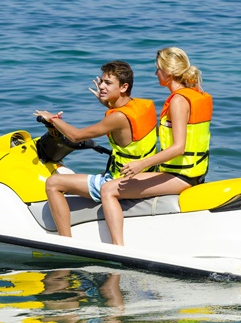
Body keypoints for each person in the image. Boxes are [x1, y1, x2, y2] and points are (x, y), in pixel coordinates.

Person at [100, 47, 213, 245]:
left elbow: (178, 147)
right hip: (193, 172)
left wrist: (142, 164)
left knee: (108, 189)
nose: (155, 74)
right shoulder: (195, 94)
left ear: (168, 73)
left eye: (158, 70)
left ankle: (118, 248)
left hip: (180, 176)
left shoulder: (178, 101)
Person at [33, 60, 157, 241]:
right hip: (143, 174)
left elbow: (76, 136)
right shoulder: (141, 106)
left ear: (123, 87)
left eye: (108, 83)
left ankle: (65, 241)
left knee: (53, 183)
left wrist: (52, 119)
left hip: (119, 180)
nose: (101, 86)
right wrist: (108, 104)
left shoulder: (118, 117)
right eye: (101, 82)